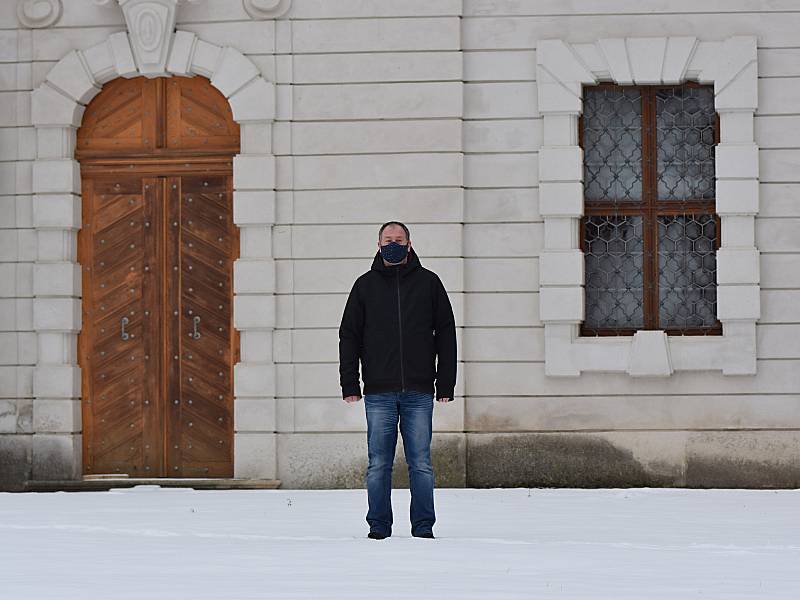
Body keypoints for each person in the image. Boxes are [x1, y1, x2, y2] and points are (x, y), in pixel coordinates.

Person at [338, 221, 457, 540]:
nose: (393, 244)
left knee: (421, 464)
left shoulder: (429, 283)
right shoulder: (364, 286)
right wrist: (350, 383)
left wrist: (445, 383)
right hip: (379, 392)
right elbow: (349, 335)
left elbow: (446, 333)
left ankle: (423, 527)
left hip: (419, 391)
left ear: (409, 243)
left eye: (399, 239)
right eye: (388, 240)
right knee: (378, 464)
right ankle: (378, 526)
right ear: (378, 245)